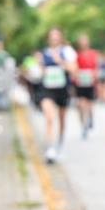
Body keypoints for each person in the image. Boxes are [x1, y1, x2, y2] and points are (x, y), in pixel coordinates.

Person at [35, 28, 77, 164]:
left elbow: (74, 69)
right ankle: (50, 149)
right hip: (47, 89)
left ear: (60, 37)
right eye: (51, 36)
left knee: (61, 119)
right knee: (49, 117)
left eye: (56, 36)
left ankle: (60, 143)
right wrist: (39, 65)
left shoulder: (67, 51)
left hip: (62, 89)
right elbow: (39, 72)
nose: (54, 38)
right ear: (48, 38)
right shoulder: (44, 52)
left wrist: (60, 61)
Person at [74, 33, 100, 139]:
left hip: (90, 82)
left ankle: (90, 117)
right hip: (80, 82)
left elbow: (96, 66)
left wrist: (95, 77)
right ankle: (83, 126)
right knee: (80, 104)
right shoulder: (77, 54)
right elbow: (74, 67)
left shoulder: (93, 53)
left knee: (89, 104)